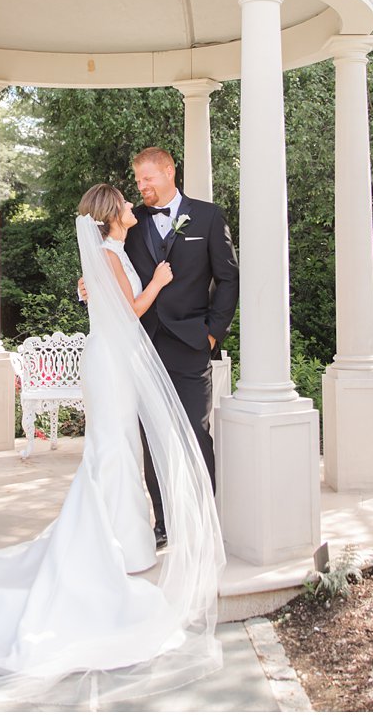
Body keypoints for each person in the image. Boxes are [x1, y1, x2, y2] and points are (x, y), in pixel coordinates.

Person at [0, 184, 225, 705]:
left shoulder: (109, 253)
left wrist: (96, 288)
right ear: (111, 215)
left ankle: (121, 537)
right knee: (115, 447)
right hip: (114, 360)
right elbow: (133, 311)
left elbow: (104, 301)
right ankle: (117, 542)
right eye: (124, 204)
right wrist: (161, 281)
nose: (131, 208)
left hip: (110, 357)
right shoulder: (111, 253)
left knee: (116, 446)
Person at [122, 146, 238, 546]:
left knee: (194, 431)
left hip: (191, 344)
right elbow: (113, 268)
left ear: (170, 171)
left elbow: (228, 278)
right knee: (153, 436)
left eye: (148, 178)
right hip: (145, 346)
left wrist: (212, 333)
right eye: (138, 180)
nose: (142, 186)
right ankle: (163, 521)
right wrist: (89, 287)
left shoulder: (208, 216)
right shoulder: (131, 222)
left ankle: (203, 517)